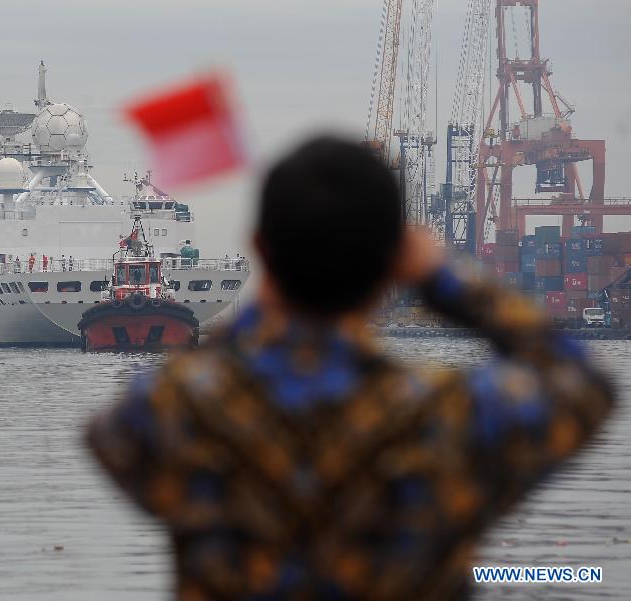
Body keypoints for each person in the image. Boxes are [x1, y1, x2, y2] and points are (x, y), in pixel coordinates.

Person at [87, 136, 615, 601]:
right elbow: (583, 385)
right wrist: (441, 277)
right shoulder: (452, 415)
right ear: (394, 263)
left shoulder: (178, 408)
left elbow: (108, 433)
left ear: (262, 253)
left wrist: (264, 302)